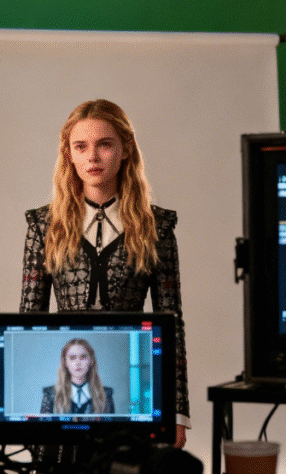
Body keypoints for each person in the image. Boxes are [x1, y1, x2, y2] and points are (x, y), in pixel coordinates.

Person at [20, 99, 188, 448]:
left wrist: (176, 412)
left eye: (104, 145)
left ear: (125, 149)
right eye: (81, 146)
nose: (92, 157)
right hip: (65, 393)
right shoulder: (44, 225)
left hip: (131, 382)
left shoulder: (155, 226)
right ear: (68, 153)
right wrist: (20, 414)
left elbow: (172, 322)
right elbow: (28, 320)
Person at [41, 338, 114, 415]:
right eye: (72, 358)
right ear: (65, 362)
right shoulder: (50, 395)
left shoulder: (106, 395)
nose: (78, 363)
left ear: (91, 361)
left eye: (83, 357)